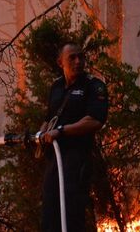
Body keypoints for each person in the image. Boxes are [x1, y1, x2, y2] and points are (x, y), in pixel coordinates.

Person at [38, 42, 108, 232]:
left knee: (71, 215)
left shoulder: (94, 86)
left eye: (81, 57)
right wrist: (39, 135)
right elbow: (49, 118)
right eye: (72, 58)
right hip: (54, 161)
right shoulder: (56, 86)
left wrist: (61, 131)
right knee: (49, 214)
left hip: (77, 161)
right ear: (61, 62)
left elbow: (95, 120)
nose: (78, 61)